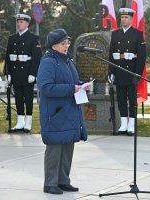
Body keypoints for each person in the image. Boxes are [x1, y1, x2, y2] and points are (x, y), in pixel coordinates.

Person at [37, 28, 88, 195]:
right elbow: (46, 88)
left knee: (67, 147)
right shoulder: (48, 62)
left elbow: (71, 81)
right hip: (56, 113)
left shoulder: (67, 61)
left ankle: (63, 181)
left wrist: (81, 85)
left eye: (68, 42)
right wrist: (71, 88)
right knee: (55, 148)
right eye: (63, 43)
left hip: (70, 111)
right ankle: (50, 183)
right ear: (53, 46)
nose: (67, 45)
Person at [108, 8, 146, 136]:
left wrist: (138, 74)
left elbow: (141, 57)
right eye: (122, 17)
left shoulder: (138, 34)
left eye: (126, 17)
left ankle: (131, 124)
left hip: (131, 72)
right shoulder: (115, 34)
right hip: (119, 71)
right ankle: (123, 124)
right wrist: (111, 72)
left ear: (131, 19)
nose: (123, 19)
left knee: (132, 100)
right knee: (121, 99)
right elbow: (111, 55)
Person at [4, 14, 42, 133]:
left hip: (27, 73)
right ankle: (20, 122)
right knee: (18, 98)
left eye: (21, 21)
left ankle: (28, 123)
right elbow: (8, 57)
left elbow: (37, 58)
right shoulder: (12, 38)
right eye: (18, 21)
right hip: (15, 72)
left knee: (28, 98)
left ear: (27, 24)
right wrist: (7, 73)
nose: (19, 23)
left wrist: (33, 74)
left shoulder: (34, 38)